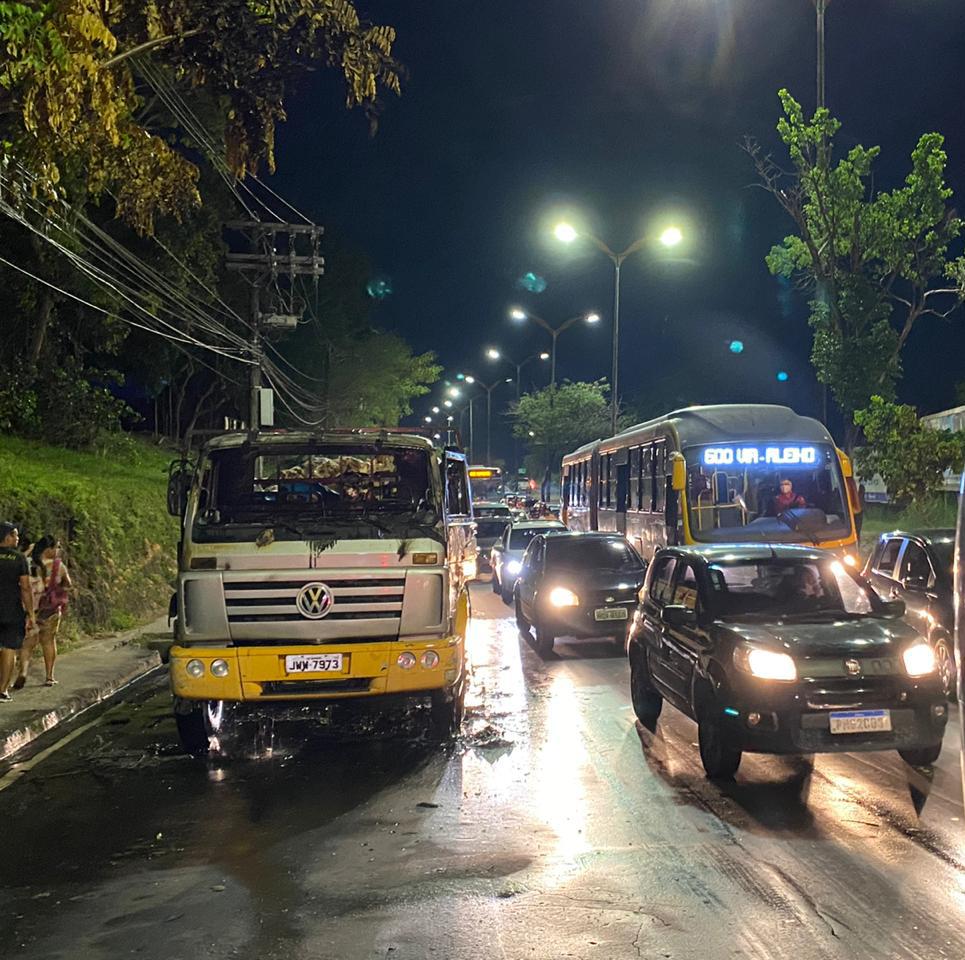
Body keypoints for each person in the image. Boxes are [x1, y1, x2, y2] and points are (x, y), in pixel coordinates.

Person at [18, 535, 71, 687]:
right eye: (57, 547)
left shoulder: (27, 564)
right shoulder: (58, 566)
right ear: (49, 549)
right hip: (50, 610)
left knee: (27, 644)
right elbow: (68, 584)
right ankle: (49, 676)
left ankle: (23, 672)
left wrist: (28, 551)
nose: (58, 550)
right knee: (48, 642)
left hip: (30, 610)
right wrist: (59, 589)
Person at [0, 521, 35, 700]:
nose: (17, 537)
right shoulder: (19, 558)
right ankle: (2, 690)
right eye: (14, 534)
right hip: (11, 612)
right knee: (9, 650)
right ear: (7, 537)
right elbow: (26, 588)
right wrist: (31, 613)